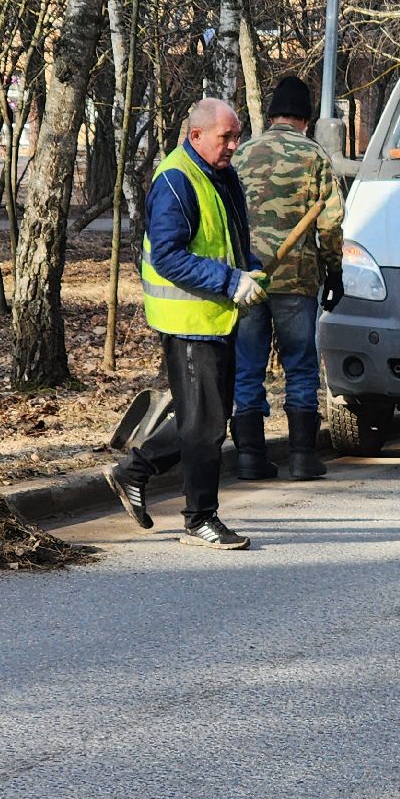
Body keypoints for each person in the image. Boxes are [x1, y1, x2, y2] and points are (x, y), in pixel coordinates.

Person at [107, 97, 266, 550]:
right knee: (206, 425)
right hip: (189, 319)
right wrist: (230, 280)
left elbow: (231, 242)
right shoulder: (176, 180)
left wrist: (248, 272)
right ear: (196, 136)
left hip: (216, 315)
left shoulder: (221, 175)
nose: (235, 144)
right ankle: (199, 519)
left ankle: (134, 472)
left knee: (206, 417)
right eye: (227, 136)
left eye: (237, 135)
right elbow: (170, 256)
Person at [230, 75, 346, 481]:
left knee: (247, 366)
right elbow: (330, 223)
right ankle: (301, 457)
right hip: (297, 280)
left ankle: (249, 457)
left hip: (248, 279)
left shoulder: (242, 154)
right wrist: (334, 272)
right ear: (306, 118)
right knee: (299, 365)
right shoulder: (314, 156)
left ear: (273, 114)